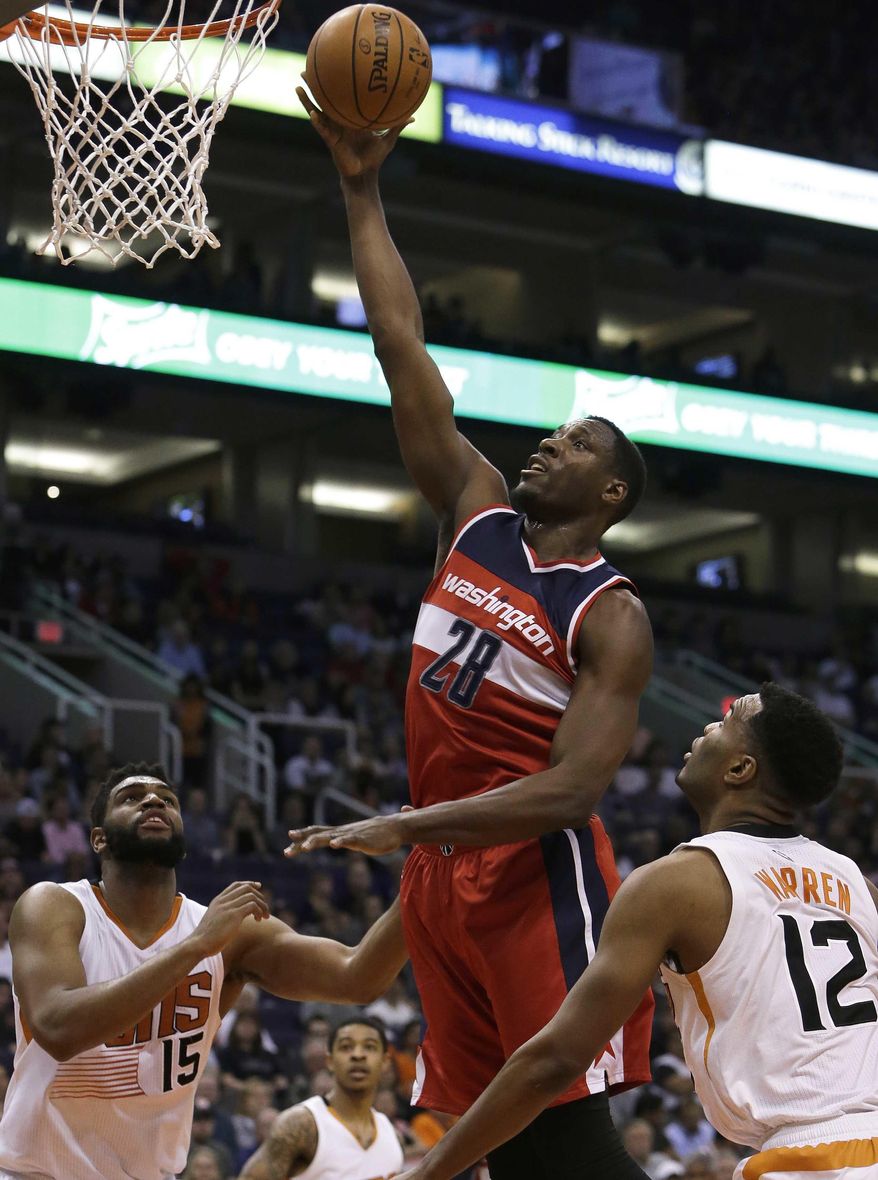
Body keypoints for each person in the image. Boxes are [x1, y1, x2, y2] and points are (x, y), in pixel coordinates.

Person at [287, 91, 655, 1180]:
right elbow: (400, 343)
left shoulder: (609, 611)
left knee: (563, 1131)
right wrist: (361, 190)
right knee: (516, 1156)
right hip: (442, 874)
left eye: (576, 442)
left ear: (612, 489)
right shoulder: (476, 508)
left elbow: (570, 792)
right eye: (553, 430)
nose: (550, 442)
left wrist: (412, 823)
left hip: (532, 874)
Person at [391, 684, 878, 1180]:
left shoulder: (675, 882)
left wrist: (425, 1173)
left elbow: (556, 1060)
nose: (709, 727)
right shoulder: (857, 883)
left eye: (728, 724)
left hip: (807, 1161)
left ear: (739, 770)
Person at [0, 762, 407, 1180]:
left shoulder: (228, 934)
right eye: (131, 798)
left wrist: (424, 874)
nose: (153, 800)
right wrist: (194, 947)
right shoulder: (54, 906)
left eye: (167, 799)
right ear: (99, 839)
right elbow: (58, 1027)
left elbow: (359, 978)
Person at [239, 1015, 404, 1179]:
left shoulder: (393, 1136)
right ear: (330, 1060)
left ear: (385, 1062)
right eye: (346, 1047)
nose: (358, 1055)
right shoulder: (300, 1125)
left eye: (369, 1047)